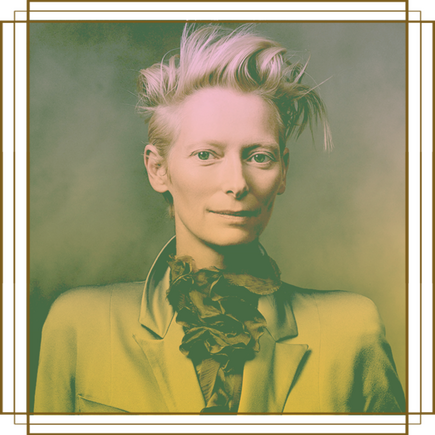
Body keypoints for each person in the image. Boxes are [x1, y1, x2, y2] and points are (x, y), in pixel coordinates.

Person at [34, 24, 405, 416]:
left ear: (283, 171)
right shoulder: (78, 326)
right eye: (206, 155)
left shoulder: (353, 330)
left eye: (259, 156)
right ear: (158, 169)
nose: (237, 183)